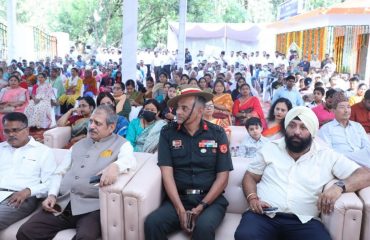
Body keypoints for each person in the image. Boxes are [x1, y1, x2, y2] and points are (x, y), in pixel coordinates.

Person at [234, 106, 370, 240]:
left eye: (303, 127)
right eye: (292, 126)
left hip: (304, 221)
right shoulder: (270, 148)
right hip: (263, 216)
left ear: (312, 132)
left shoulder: (327, 155)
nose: (296, 132)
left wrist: (339, 187)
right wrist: (253, 198)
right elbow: (250, 176)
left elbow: (365, 174)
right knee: (245, 235)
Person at [17, 105, 137, 240]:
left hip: (92, 208)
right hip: (62, 204)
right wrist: (52, 195)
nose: (91, 126)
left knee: (85, 237)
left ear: (111, 127)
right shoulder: (78, 145)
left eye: (98, 123)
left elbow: (130, 160)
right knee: (26, 231)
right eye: (91, 121)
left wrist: (115, 166)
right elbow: (59, 172)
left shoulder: (122, 144)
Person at [144, 85, 233, 240]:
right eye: (178, 107)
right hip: (178, 200)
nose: (178, 112)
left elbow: (223, 177)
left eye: (184, 108)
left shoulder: (217, 133)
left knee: (203, 228)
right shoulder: (167, 132)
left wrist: (200, 208)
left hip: (209, 202)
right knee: (152, 223)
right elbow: (167, 173)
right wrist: (179, 209)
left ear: (200, 111)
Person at [0, 112, 56, 230]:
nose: (11, 134)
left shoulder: (43, 152)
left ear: (27, 130)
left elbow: (51, 182)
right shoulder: (1, 148)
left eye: (15, 130)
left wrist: (28, 191)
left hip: (19, 198)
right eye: (7, 131)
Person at [319, 92, 370, 167]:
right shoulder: (326, 129)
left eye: (348, 107)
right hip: (341, 165)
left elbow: (367, 147)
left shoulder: (357, 126)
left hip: (363, 163)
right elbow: (328, 154)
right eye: (342, 107)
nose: (346, 110)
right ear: (333, 111)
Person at [0, 75, 29, 141]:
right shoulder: (4, 89)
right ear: (8, 82)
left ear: (19, 82)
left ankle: (7, 138)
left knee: (2, 118)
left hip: (16, 108)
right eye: (11, 80)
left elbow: (21, 102)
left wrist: (9, 104)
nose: (13, 82)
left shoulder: (22, 90)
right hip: (3, 107)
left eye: (15, 80)